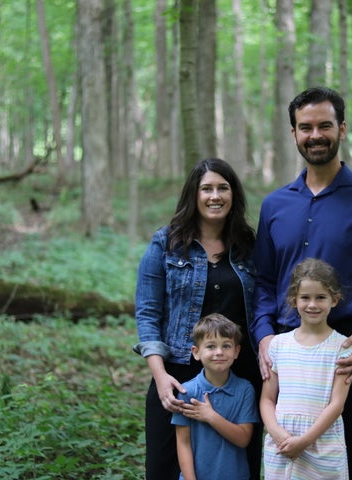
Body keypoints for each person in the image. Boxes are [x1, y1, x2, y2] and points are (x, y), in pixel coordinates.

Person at [252, 87, 352, 480]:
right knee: (291, 463)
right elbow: (263, 281)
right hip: (287, 356)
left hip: (349, 353)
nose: (315, 135)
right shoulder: (275, 205)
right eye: (305, 127)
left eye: (324, 125)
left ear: (341, 129)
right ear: (293, 134)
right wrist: (263, 336)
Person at [133, 158, 262, 480]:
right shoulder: (166, 243)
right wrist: (160, 376)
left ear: (234, 195)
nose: (214, 196)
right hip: (177, 373)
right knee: (165, 466)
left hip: (238, 375)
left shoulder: (249, 246)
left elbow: (264, 307)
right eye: (206, 188)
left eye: (223, 188)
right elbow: (148, 312)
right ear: (193, 194)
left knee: (234, 465)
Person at [260, 258, 352, 480]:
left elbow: (337, 404)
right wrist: (278, 434)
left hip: (322, 445)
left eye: (320, 297)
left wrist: (304, 441)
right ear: (293, 300)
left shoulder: (342, 347)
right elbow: (267, 399)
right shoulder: (279, 344)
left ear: (334, 300)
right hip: (281, 443)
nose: (312, 304)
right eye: (305, 297)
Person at [172, 313, 260, 480]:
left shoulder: (245, 389)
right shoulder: (187, 391)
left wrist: (210, 416)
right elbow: (183, 443)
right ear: (196, 352)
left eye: (226, 346)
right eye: (211, 346)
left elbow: (243, 439)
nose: (219, 352)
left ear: (236, 351)